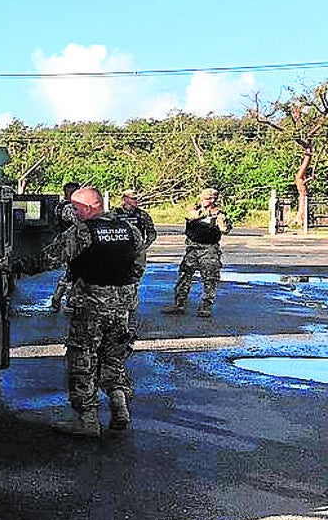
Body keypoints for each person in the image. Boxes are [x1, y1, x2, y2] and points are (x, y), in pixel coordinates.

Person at [16, 187, 146, 437]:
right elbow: (139, 265)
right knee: (114, 356)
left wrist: (15, 267)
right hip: (123, 308)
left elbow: (48, 259)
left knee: (82, 360)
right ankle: (119, 402)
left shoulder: (83, 232)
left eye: (76, 208)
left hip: (91, 307)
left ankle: (86, 419)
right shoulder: (130, 229)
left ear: (88, 208)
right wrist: (123, 290)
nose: (73, 213)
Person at [161, 187, 232, 318]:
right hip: (192, 248)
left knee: (210, 278)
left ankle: (206, 306)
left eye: (211, 199)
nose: (208, 201)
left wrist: (220, 220)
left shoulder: (219, 213)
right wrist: (207, 214)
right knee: (184, 276)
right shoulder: (194, 209)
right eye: (206, 198)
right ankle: (179, 304)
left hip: (209, 249)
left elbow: (225, 229)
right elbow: (190, 217)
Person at [112, 189, 158, 321]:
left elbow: (151, 232)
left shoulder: (142, 215)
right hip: (119, 253)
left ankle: (130, 306)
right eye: (133, 198)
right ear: (125, 199)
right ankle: (118, 305)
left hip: (136, 253)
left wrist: (144, 247)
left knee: (134, 280)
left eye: (137, 199)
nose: (136, 201)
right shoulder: (114, 214)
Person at [49, 181, 81, 312]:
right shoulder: (68, 207)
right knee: (74, 272)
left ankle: (59, 298)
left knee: (71, 272)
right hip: (71, 245)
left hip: (68, 243)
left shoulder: (63, 205)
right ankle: (66, 301)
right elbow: (80, 222)